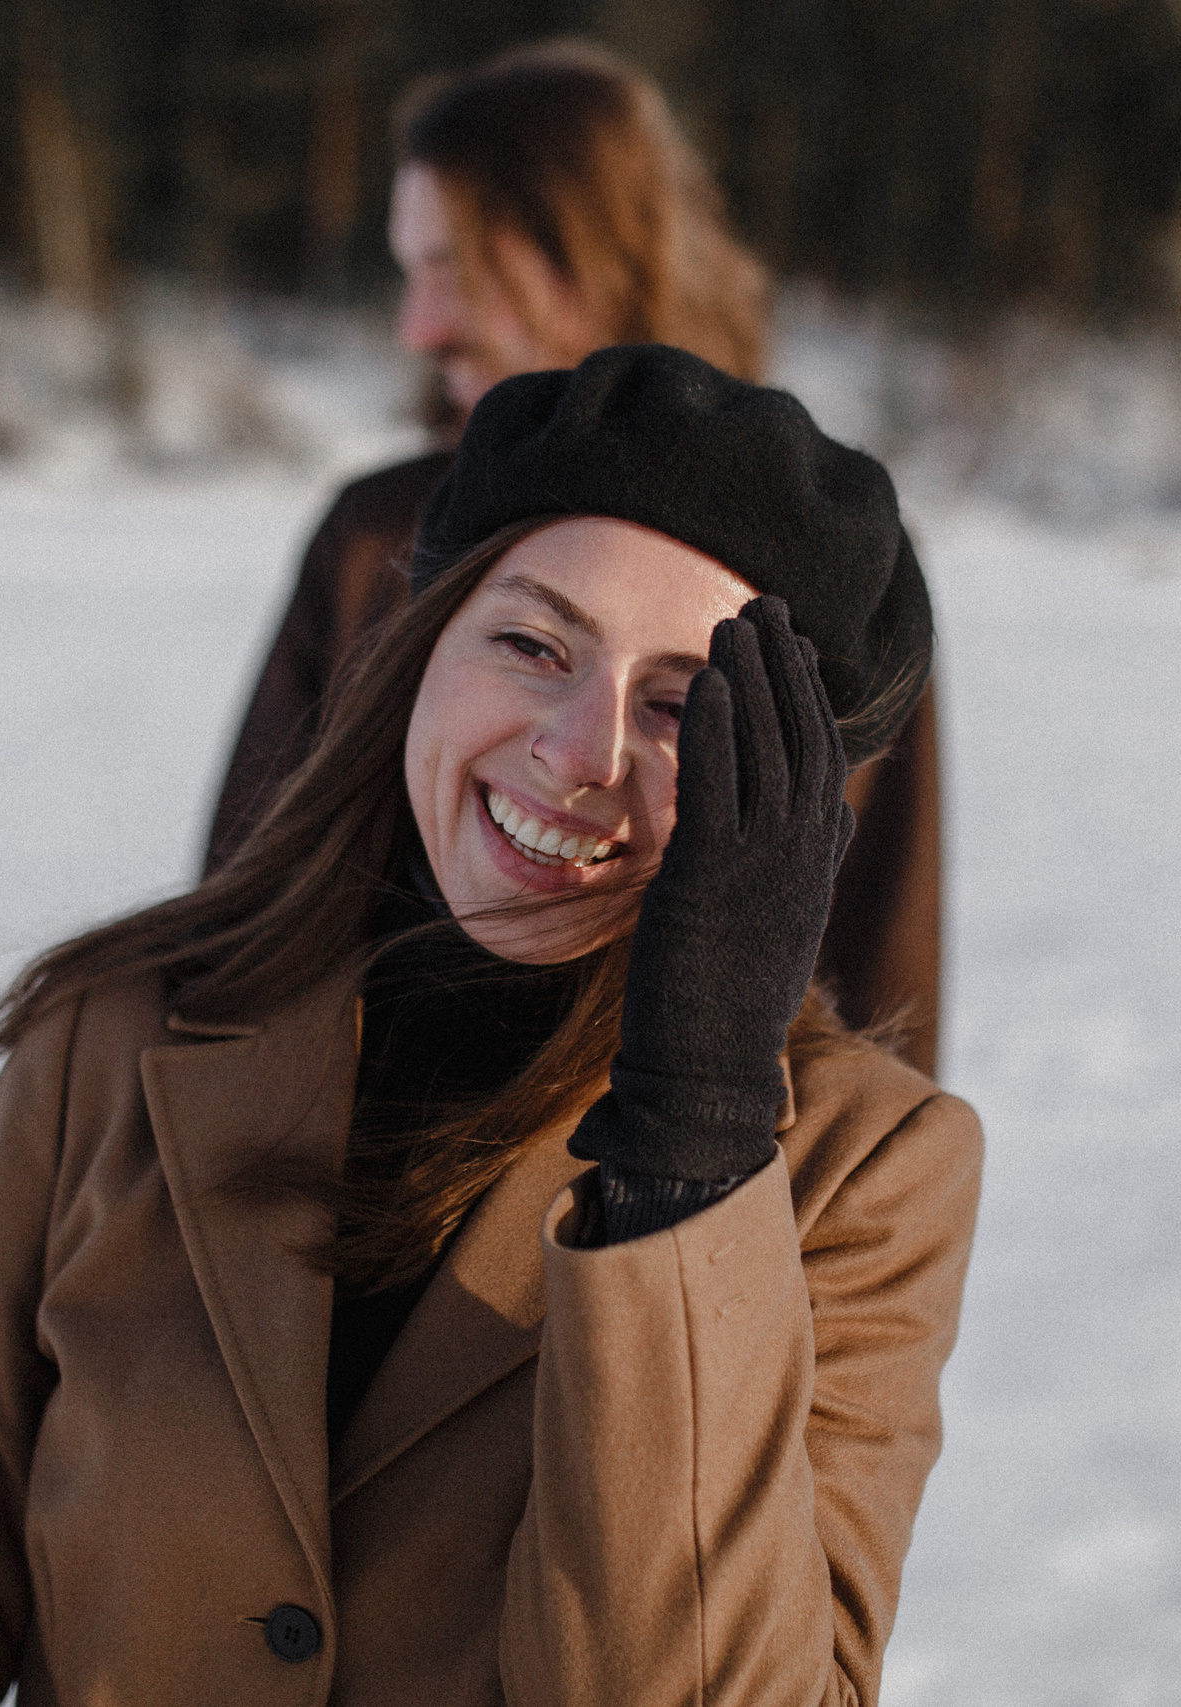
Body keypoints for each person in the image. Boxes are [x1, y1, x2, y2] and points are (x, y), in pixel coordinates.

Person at [0, 345, 983, 1706]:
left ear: (792, 796)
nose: (578, 750)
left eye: (684, 704)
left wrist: (692, 1140)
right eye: (530, 643)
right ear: (422, 648)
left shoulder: (868, 1175)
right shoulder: (111, 1041)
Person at [208, 38, 950, 1073]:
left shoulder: (835, 572)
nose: (419, 327)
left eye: (453, 270)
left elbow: (877, 970)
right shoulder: (377, 533)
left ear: (589, 246)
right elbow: (243, 904)